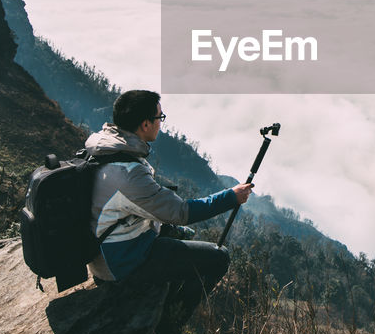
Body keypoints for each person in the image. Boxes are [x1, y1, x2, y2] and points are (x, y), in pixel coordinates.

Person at [86, 89, 252, 320]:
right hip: (121, 262)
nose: (161, 123)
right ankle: (170, 324)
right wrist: (231, 197)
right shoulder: (128, 173)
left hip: (109, 249)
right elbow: (181, 212)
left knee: (180, 236)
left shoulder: (106, 149)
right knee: (218, 257)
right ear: (145, 124)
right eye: (159, 118)